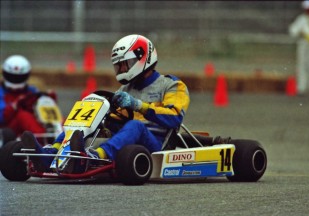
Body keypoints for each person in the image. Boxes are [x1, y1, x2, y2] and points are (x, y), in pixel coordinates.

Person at [21, 34, 190, 162]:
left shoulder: (171, 85)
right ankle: (51, 153)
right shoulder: (126, 88)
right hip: (130, 140)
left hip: (156, 145)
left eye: (126, 64)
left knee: (136, 126)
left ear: (142, 57)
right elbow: (120, 117)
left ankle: (98, 155)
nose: (122, 69)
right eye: (119, 65)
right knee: (86, 121)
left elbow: (174, 117)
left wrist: (139, 105)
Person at [0, 55, 47, 136]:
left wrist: (48, 99)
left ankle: (61, 137)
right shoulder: (1, 92)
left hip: (26, 129)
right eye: (12, 77)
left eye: (19, 77)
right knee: (22, 115)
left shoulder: (32, 91)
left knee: (63, 120)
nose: (15, 80)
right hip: (6, 130)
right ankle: (41, 137)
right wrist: (14, 106)